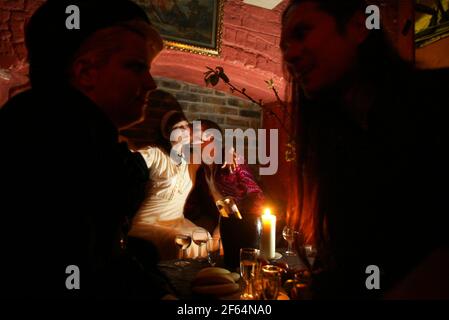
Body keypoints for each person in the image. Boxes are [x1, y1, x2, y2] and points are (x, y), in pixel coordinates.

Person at [0, 0, 171, 298]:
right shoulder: (54, 142)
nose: (151, 83)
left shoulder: (70, 129)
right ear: (86, 72)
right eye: (136, 67)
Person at [281, 0, 449, 298]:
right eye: (284, 45)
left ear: (359, 26)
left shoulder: (437, 102)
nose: (290, 54)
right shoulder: (343, 143)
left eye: (303, 32)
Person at [128, 110, 209, 260]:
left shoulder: (192, 160)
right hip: (149, 222)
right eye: (179, 127)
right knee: (178, 240)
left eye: (186, 125)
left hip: (177, 221)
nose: (185, 129)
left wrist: (228, 153)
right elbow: (130, 161)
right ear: (167, 134)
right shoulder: (156, 155)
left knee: (203, 237)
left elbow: (214, 152)